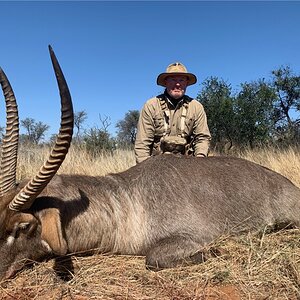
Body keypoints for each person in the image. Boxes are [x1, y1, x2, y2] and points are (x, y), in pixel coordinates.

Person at [134, 62, 211, 164]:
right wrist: (143, 170)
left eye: (181, 80)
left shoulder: (196, 107)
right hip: (156, 165)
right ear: (165, 82)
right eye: (173, 79)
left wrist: (199, 163)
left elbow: (203, 138)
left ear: (187, 83)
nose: (177, 84)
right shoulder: (151, 105)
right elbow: (142, 144)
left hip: (189, 165)